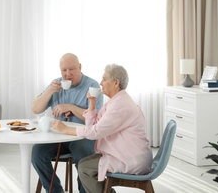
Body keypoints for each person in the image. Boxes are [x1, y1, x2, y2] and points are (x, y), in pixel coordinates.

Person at [52, 64, 153, 193]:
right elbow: (93, 126)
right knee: (84, 163)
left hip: (131, 159)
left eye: (104, 79)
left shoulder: (120, 106)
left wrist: (66, 129)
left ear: (116, 82)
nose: (101, 83)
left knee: (84, 168)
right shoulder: (115, 101)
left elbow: (95, 132)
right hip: (124, 154)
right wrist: (92, 103)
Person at [32, 53, 103, 193]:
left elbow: (97, 120)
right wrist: (49, 92)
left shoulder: (92, 86)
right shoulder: (56, 85)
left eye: (72, 69)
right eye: (64, 70)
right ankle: (56, 191)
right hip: (58, 136)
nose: (67, 74)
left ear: (80, 67)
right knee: (37, 153)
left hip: (83, 136)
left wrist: (70, 107)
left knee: (81, 151)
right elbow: (35, 109)